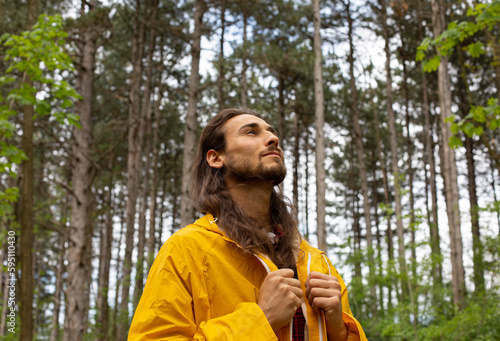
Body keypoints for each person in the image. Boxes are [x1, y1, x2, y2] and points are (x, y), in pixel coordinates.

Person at [129, 108, 368, 341]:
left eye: (271, 132)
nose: (273, 139)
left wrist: (338, 329)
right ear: (215, 158)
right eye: (251, 132)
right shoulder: (187, 250)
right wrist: (261, 319)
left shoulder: (317, 262)